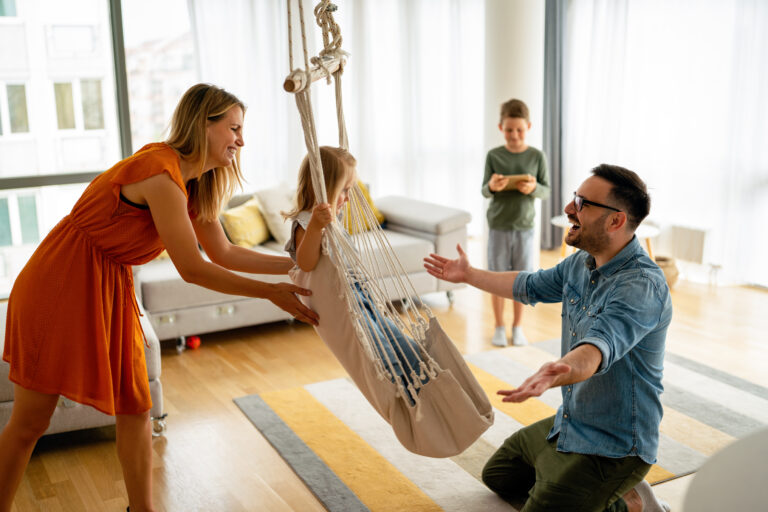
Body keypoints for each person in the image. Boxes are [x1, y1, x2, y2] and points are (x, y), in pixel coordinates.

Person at [0, 83, 318, 512]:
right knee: (30, 422)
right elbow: (193, 268)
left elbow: (224, 252)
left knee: (136, 407)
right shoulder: (160, 172)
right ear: (202, 125)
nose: (241, 141)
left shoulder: (197, 185)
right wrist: (272, 295)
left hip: (110, 284)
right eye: (234, 128)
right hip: (60, 282)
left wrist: (300, 264)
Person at [425, 164, 671, 512]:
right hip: (574, 419)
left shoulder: (641, 286)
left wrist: (560, 369)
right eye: (575, 198)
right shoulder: (581, 263)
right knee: (499, 476)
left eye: (582, 203)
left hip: (617, 446)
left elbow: (598, 347)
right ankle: (591, 489)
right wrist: (468, 274)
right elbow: (529, 285)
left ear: (616, 221)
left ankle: (628, 499)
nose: (570, 208)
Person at [283, 146, 427, 403]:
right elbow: (305, 263)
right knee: (383, 354)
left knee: (402, 345)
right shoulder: (306, 222)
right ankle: (405, 400)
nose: (348, 198)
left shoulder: (334, 219)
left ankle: (425, 385)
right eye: (345, 190)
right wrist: (317, 226)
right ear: (323, 188)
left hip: (362, 298)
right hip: (345, 308)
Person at [482, 99, 550, 347]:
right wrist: (492, 185)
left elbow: (546, 190)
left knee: (523, 278)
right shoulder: (494, 156)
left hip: (525, 227)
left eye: (519, 130)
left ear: (528, 127)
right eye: (509, 130)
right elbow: (484, 190)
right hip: (499, 226)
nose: (514, 135)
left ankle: (517, 327)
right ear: (501, 127)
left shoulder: (536, 156)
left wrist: (533, 188)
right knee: (497, 277)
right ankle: (499, 326)